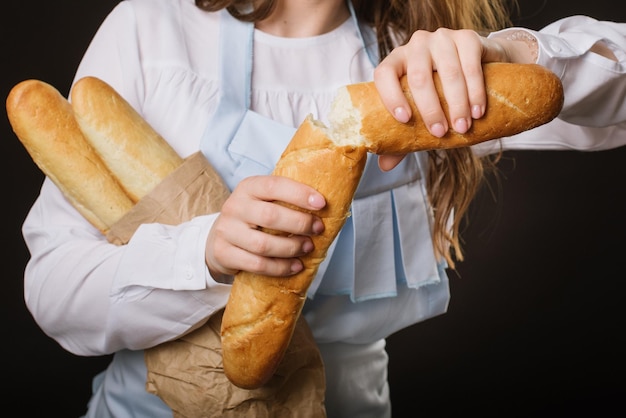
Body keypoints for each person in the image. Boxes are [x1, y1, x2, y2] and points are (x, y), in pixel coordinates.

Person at [20, 0, 625, 416]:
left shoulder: (417, 64)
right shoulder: (151, 31)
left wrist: (514, 56)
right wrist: (201, 254)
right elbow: (52, 290)